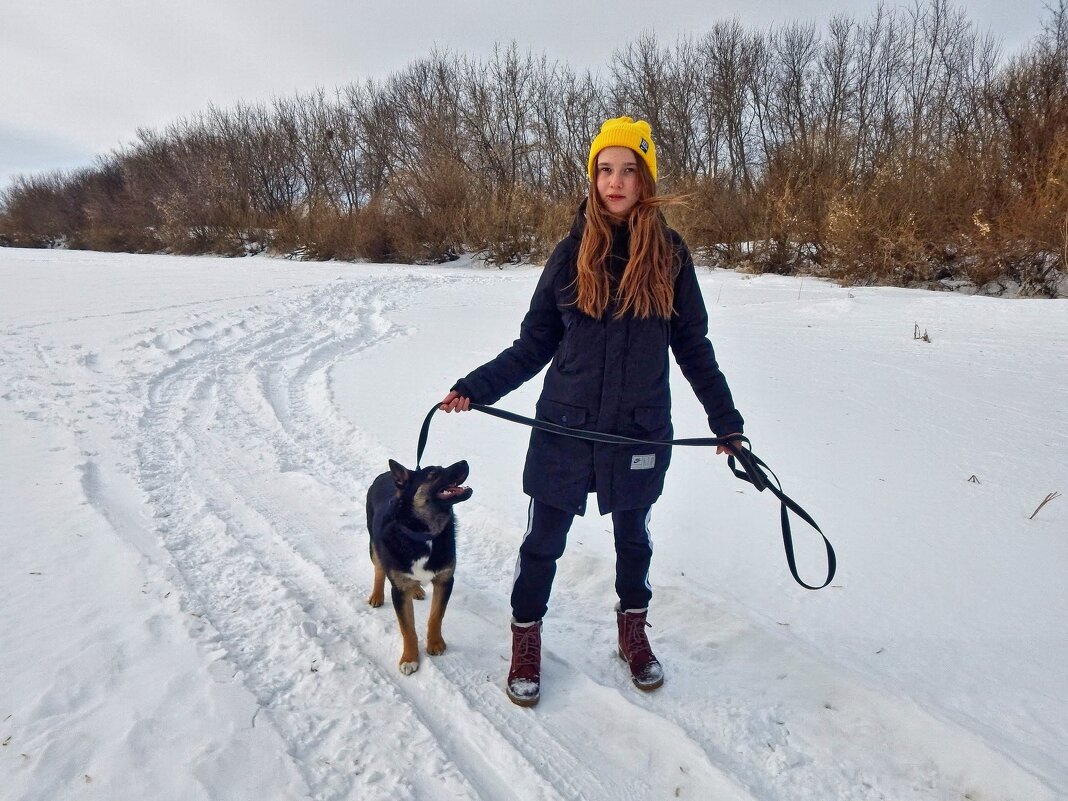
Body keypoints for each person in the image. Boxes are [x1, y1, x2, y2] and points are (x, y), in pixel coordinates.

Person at [440, 116, 745, 707]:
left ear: (646, 178)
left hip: (638, 429)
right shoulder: (571, 252)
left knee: (635, 542)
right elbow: (534, 343)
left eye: (629, 170)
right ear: (592, 177)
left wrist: (725, 421)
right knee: (541, 544)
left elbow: (693, 348)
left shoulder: (672, 258)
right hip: (565, 426)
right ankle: (525, 636)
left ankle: (634, 632)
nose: (615, 181)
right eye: (605, 169)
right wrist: (476, 387)